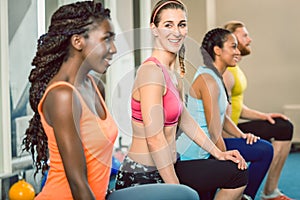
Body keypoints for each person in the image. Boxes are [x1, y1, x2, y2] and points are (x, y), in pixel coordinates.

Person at [115, 1, 249, 199]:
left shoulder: (173, 73)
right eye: (168, 25)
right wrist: (176, 188)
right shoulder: (151, 72)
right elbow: (155, 138)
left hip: (170, 166)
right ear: (154, 29)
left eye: (181, 24)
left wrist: (218, 153)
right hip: (143, 174)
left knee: (236, 173)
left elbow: (185, 119)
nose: (176, 32)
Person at [22, 1, 118, 199]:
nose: (114, 49)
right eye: (106, 40)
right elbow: (77, 183)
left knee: (181, 195)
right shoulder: (62, 96)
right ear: (78, 42)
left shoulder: (94, 85)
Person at [176, 28, 274, 200]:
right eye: (233, 47)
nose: (238, 52)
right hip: (194, 155)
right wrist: (225, 159)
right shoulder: (208, 80)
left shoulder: (216, 76)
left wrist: (242, 135)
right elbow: (214, 133)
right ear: (217, 50)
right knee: (238, 170)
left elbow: (222, 116)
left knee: (263, 150)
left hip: (208, 149)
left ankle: (244, 196)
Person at [223, 21, 294, 200]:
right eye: (244, 35)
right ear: (231, 39)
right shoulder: (226, 72)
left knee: (283, 126)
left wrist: (265, 116)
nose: (250, 39)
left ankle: (270, 191)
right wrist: (239, 136)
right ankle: (245, 195)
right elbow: (220, 114)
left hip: (234, 125)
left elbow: (239, 106)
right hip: (225, 132)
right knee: (266, 146)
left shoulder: (235, 68)